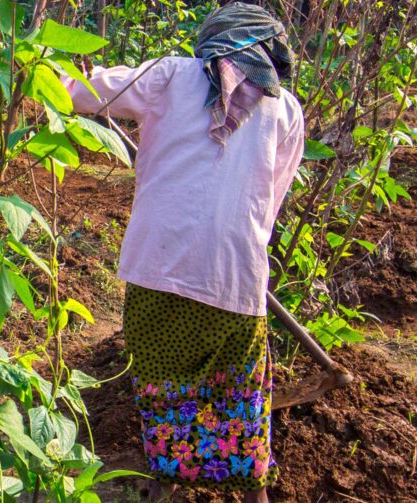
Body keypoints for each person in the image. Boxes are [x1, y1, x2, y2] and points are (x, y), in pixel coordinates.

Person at [63, 4, 304, 502]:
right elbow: (270, 205)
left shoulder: (172, 74)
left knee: (167, 398)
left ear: (210, 40)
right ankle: (252, 492)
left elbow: (80, 94)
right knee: (241, 402)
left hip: (157, 272)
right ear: (272, 52)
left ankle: (167, 486)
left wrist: (48, 67)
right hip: (236, 282)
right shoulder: (288, 111)